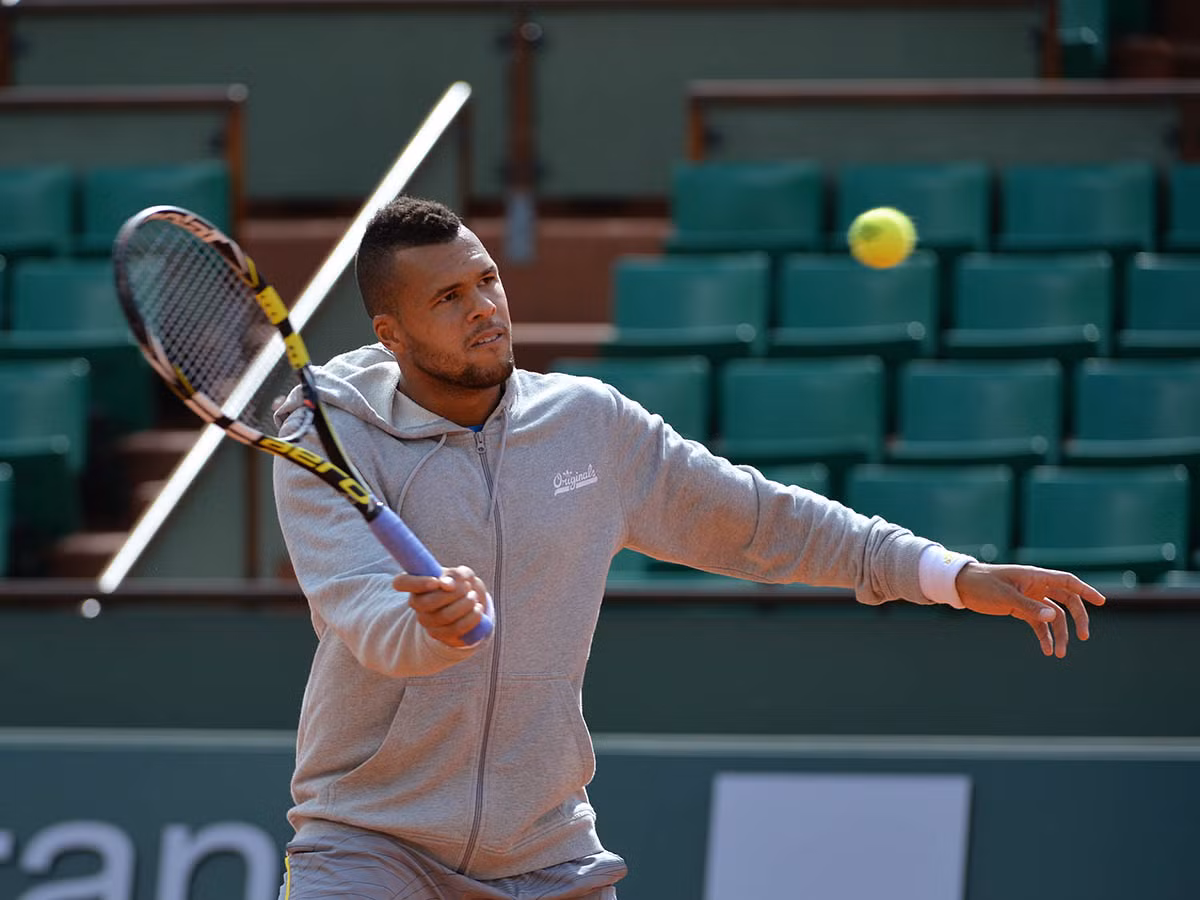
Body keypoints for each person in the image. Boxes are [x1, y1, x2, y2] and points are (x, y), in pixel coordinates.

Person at [272, 195, 1105, 900]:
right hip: (369, 848)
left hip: (543, 853)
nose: (485, 307)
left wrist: (952, 576)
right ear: (391, 332)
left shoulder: (589, 425)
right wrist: (432, 628)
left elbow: (764, 522)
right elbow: (360, 608)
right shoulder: (327, 440)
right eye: (448, 298)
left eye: (487, 279)